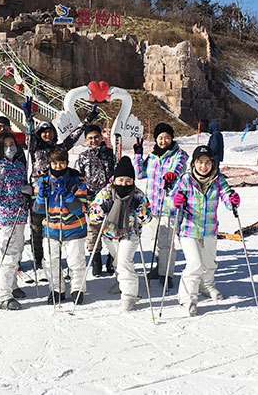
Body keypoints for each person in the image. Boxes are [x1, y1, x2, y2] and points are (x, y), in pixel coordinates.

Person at [23, 97, 95, 278]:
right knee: (38, 228)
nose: (47, 134)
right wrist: (29, 120)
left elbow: (73, 137)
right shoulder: (35, 148)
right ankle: (40, 261)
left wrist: (86, 122)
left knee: (60, 228)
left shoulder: (59, 149)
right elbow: (30, 138)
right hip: (41, 192)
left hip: (61, 192)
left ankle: (62, 263)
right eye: (44, 132)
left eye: (50, 131)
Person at [170, 145, 239, 317]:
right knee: (195, 264)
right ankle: (187, 299)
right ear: (194, 163)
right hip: (188, 229)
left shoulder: (218, 179)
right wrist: (176, 201)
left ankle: (206, 286)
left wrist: (232, 201)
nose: (204, 166)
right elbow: (172, 201)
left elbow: (226, 196)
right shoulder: (185, 180)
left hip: (209, 229)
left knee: (209, 263)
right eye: (200, 162)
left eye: (207, 162)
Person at [88, 156, 151, 312]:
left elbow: (147, 218)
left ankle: (129, 295)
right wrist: (102, 209)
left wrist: (139, 209)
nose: (124, 184)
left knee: (124, 262)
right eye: (121, 180)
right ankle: (121, 281)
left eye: (128, 181)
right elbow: (92, 216)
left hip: (130, 233)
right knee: (118, 262)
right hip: (110, 233)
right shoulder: (106, 192)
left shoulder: (138, 195)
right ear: (115, 180)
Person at [134, 122, 189, 289]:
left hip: (168, 206)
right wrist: (138, 155)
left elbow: (179, 167)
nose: (163, 141)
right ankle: (159, 267)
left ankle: (167, 274)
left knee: (166, 243)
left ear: (171, 138)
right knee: (154, 240)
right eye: (160, 138)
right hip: (152, 206)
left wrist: (172, 174)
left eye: (167, 137)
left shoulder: (179, 154)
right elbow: (140, 173)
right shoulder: (152, 156)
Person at [33, 148, 88, 304]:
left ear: (67, 162)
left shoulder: (77, 180)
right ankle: (56, 289)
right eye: (55, 163)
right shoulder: (42, 181)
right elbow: (37, 209)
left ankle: (77, 289)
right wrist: (41, 197)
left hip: (74, 227)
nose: (58, 166)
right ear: (50, 163)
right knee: (51, 261)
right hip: (52, 228)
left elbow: (80, 209)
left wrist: (68, 195)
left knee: (75, 260)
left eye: (61, 162)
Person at [0, 132, 31, 310]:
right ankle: (1, 295)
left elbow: (23, 187)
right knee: (9, 254)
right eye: (5, 145)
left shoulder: (20, 165)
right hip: (6, 217)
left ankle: (11, 284)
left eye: (11, 144)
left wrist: (28, 191)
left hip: (20, 215)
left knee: (18, 252)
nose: (9, 148)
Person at [75, 124, 115, 276]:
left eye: (96, 137)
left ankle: (112, 260)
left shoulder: (110, 154)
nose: (94, 140)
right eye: (90, 138)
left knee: (112, 229)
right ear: (85, 140)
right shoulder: (83, 157)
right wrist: (81, 198)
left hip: (110, 198)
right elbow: (78, 178)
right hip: (91, 200)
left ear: (102, 137)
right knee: (93, 231)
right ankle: (95, 261)